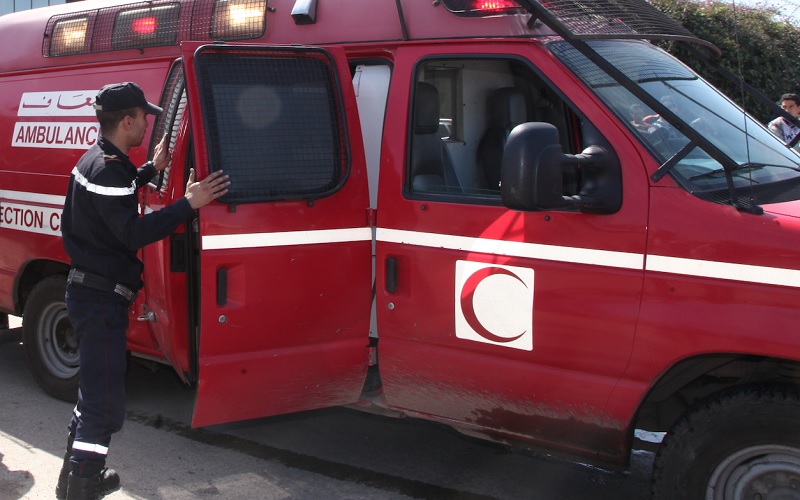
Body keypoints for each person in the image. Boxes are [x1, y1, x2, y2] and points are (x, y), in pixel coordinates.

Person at [57, 82, 230, 500]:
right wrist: (188, 204)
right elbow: (132, 232)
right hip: (99, 301)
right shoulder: (108, 169)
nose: (146, 126)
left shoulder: (101, 160)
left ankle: (71, 481)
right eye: (143, 118)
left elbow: (115, 198)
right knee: (103, 404)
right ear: (127, 121)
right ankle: (83, 486)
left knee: (93, 396)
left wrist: (150, 170)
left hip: (92, 296)